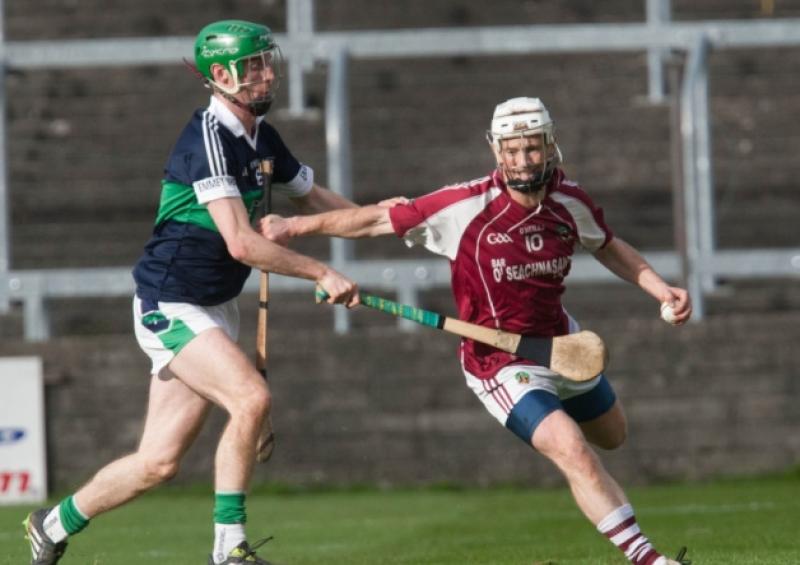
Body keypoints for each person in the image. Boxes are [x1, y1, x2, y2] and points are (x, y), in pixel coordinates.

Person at [262, 97, 693, 565]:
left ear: (550, 147)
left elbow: (607, 245)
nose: (522, 160)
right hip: (500, 363)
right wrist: (295, 225)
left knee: (612, 436)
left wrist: (657, 287)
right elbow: (373, 219)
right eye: (511, 150)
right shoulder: (463, 206)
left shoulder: (572, 201)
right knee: (571, 448)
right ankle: (649, 559)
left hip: (563, 346)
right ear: (496, 152)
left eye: (531, 149)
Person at [23, 20, 361, 565]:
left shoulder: (261, 135)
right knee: (251, 398)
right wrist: (322, 273)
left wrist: (394, 221)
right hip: (170, 302)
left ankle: (52, 523)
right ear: (222, 75)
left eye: (267, 61)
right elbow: (242, 245)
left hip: (215, 307)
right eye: (254, 66)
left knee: (158, 463)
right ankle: (229, 550)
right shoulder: (207, 139)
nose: (267, 72)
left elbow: (315, 197)